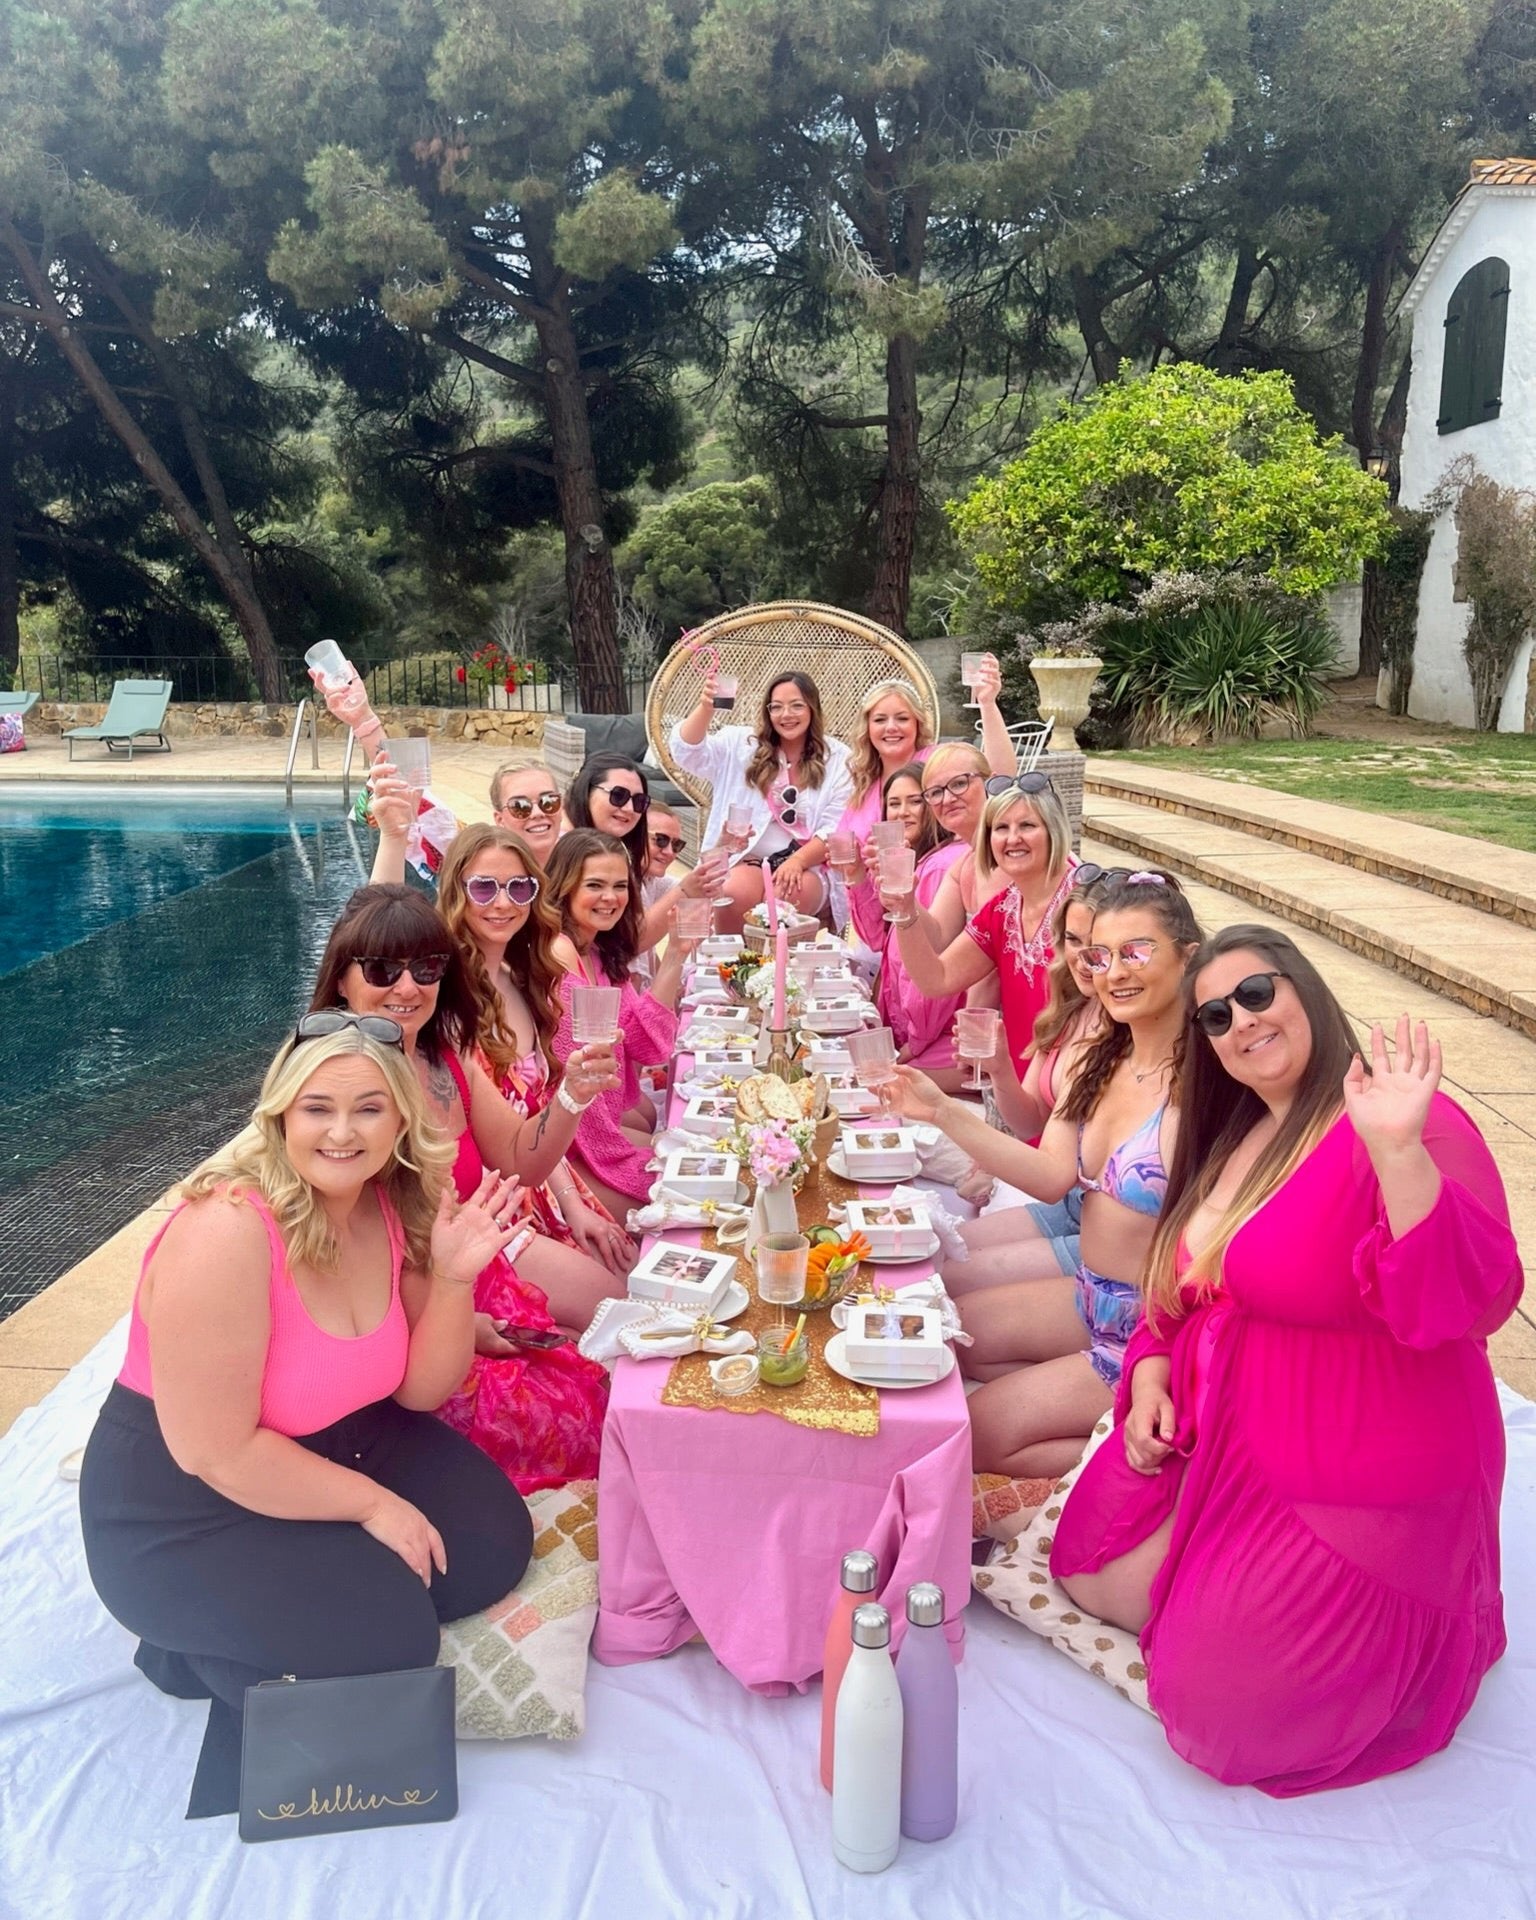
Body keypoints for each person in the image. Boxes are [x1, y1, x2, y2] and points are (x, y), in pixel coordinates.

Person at [1052, 927, 1523, 1797]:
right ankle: (1218, 1583)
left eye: (1258, 994)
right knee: (1085, 1568)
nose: (1241, 1023)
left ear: (1304, 989)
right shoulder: (1234, 1139)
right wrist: (1152, 1367)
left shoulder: (1402, 1123)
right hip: (1228, 1432)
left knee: (1222, 1712)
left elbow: (1466, 1307)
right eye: (1217, 1016)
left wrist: (1399, 1154)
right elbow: (1183, 1290)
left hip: (1366, 1468)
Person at [78, 1017, 535, 1820]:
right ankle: (191, 1649)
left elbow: (424, 1394)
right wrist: (374, 1506)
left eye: (367, 1109)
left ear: (400, 1121)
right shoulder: (227, 1231)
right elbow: (216, 1452)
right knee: (390, 1639)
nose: (341, 1132)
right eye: (317, 1108)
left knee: (492, 1544)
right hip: (185, 1499)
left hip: (343, 1438)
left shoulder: (392, 1203)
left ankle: (315, 1586)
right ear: (282, 1114)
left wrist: (456, 1280)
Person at [893, 873, 1202, 1479]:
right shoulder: (1102, 1056)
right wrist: (938, 1110)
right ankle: (1092, 1420)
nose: (1114, 972)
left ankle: (1183, 1468)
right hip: (1090, 1296)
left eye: (1137, 951)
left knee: (980, 1435)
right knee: (943, 1336)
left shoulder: (1213, 1078)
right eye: (1099, 956)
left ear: (1188, 956)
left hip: (1153, 1334)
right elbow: (1051, 1175)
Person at [312, 886, 616, 1492]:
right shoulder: (335, 1091)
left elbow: (519, 1162)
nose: (406, 987)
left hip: (480, 1271)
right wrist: (461, 1322)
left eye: (425, 968)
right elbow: (333, 1258)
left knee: (615, 1356)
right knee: (577, 1417)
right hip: (402, 1313)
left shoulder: (440, 1057)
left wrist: (573, 1094)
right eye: (381, 969)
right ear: (342, 980)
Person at [958, 868, 1107, 1269]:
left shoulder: (1132, 1030)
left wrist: (939, 1111)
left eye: (1098, 944)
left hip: (1104, 1227)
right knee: (948, 1251)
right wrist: (1001, 1068)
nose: (1083, 957)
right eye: (1073, 940)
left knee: (956, 1276)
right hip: (1071, 1203)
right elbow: (1029, 1123)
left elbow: (1051, 1175)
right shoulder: (1071, 1010)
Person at [893, 773, 1079, 1075]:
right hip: (1018, 1092)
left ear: (1053, 831)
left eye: (1027, 826)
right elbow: (936, 979)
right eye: (1001, 828)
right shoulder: (1003, 910)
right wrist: (904, 910)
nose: (1012, 838)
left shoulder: (1082, 902)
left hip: (1074, 1086)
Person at [544, 829, 687, 1218]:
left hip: (597, 1128)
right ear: (565, 888)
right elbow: (572, 1086)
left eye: (620, 885)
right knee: (675, 1198)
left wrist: (675, 954)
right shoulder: (557, 955)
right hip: (566, 1151)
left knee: (686, 1158)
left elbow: (647, 1047)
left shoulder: (600, 952)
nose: (611, 898)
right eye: (595, 885)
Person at [670, 666, 853, 931]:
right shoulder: (742, 745)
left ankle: (783, 972)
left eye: (796, 706)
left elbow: (836, 827)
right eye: (776, 707)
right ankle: (731, 965)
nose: (786, 715)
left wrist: (797, 861)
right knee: (731, 895)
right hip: (746, 858)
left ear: (813, 708)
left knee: (783, 905)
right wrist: (705, 709)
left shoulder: (838, 759)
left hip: (806, 864)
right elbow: (687, 753)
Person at [843, 764, 968, 1088]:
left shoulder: (941, 866)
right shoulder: (917, 861)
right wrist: (859, 875)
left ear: (933, 806)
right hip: (913, 1027)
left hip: (938, 1034)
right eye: (893, 804)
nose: (902, 812)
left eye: (914, 801)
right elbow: (876, 937)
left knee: (873, 1082)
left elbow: (932, 965)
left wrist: (914, 1042)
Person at [838, 661, 1015, 847]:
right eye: (880, 720)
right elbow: (842, 844)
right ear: (867, 728)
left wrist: (987, 704)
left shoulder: (939, 761)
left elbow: (1000, 779)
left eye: (902, 718)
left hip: (941, 871)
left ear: (917, 723)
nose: (891, 727)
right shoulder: (862, 783)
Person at [490, 761, 567, 855]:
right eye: (520, 806)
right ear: (500, 820)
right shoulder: (489, 867)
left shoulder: (581, 859)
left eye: (548, 802)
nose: (537, 813)